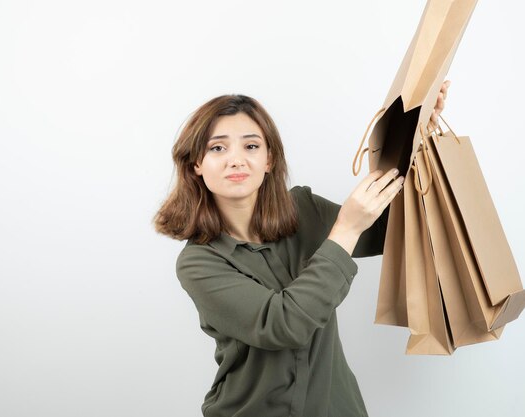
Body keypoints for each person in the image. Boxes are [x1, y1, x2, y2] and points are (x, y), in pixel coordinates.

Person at [154, 83, 450, 417]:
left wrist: (416, 136)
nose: (236, 160)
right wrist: (346, 228)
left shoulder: (302, 209)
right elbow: (283, 324)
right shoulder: (198, 262)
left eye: (251, 146)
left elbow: (391, 232)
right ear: (196, 164)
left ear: (269, 160)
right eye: (218, 149)